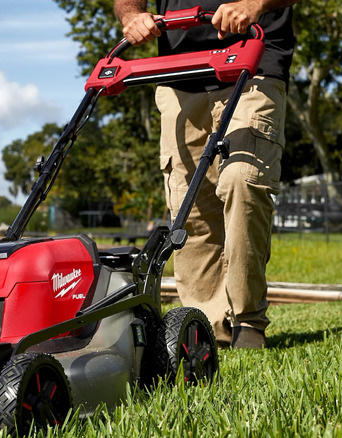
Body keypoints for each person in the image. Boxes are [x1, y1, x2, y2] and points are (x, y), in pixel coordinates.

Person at [114, 0, 302, 348]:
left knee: (242, 179)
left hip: (254, 58)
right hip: (178, 72)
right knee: (190, 206)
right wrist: (131, 15)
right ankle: (206, 330)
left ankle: (248, 323)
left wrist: (254, 4)